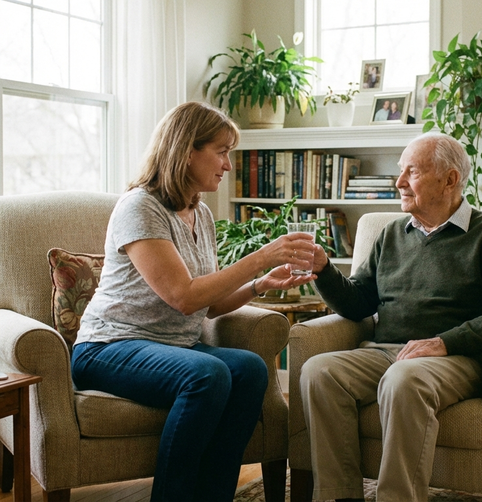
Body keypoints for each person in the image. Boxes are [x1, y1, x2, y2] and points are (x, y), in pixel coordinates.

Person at [70, 101, 316, 502]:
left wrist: (260, 283)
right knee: (208, 374)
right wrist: (261, 256)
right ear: (187, 151)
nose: (228, 165)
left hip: (172, 346)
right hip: (108, 347)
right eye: (221, 152)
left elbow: (210, 305)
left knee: (251, 369)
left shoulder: (199, 213)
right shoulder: (140, 208)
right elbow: (184, 298)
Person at [299, 132, 482, 502]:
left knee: (404, 379)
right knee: (319, 371)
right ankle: (339, 495)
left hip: (453, 358)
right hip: (386, 351)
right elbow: (360, 302)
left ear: (450, 179)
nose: (399, 182)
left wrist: (445, 342)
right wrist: (324, 270)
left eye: (411, 171)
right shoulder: (392, 234)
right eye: (400, 171)